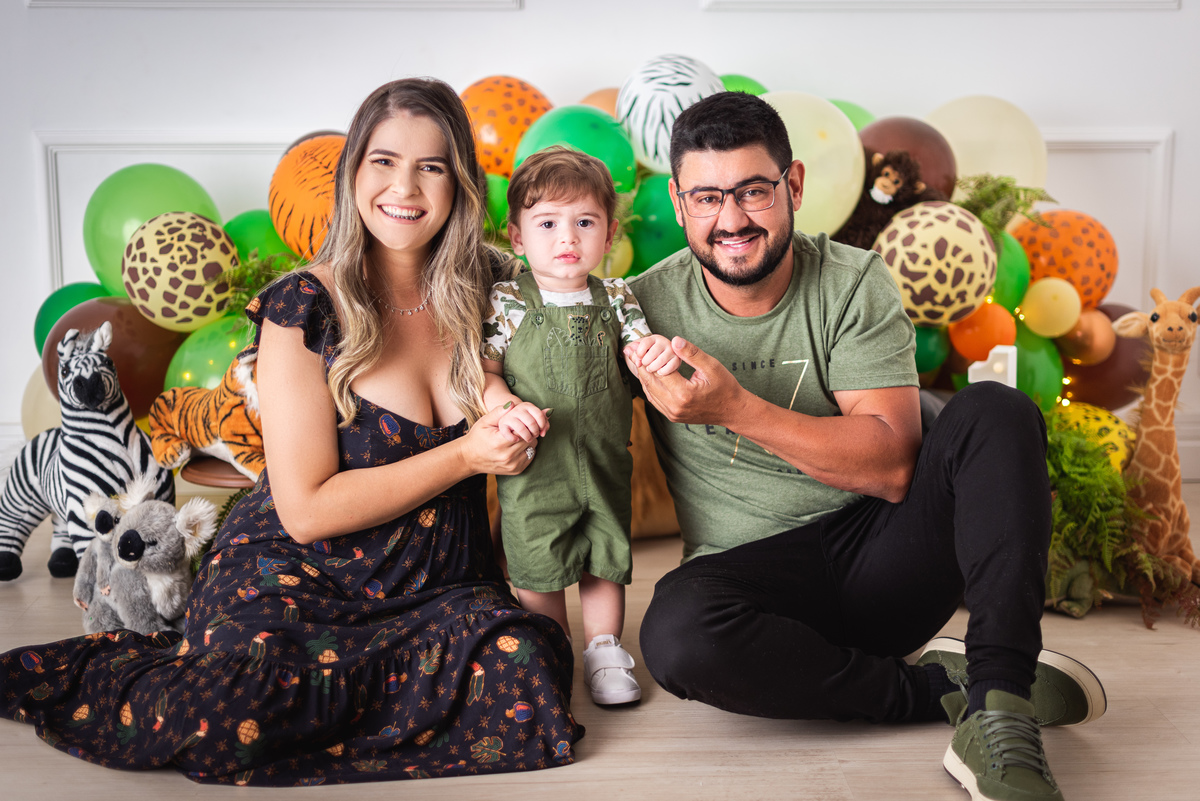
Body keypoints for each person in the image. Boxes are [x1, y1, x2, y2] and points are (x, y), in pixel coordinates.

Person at [0, 78, 584, 786]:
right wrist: (466, 455)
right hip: (299, 572)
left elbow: (601, 318)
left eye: (430, 166)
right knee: (231, 712)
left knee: (527, 673)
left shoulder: (498, 289)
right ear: (352, 173)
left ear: (458, 183)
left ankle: (341, 709)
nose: (405, 187)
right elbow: (305, 511)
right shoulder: (303, 305)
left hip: (440, 585)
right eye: (383, 161)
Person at [622, 91, 1105, 801]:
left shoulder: (851, 282)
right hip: (750, 583)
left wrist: (735, 409)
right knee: (675, 636)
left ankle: (1001, 703)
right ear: (678, 200)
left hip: (883, 557)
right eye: (706, 197)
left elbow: (891, 465)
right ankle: (938, 691)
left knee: (997, 410)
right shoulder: (639, 306)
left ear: (793, 185)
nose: (731, 220)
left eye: (753, 191)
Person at [480, 147, 679, 706]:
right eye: (547, 223)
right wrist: (504, 406)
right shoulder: (507, 302)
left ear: (609, 234)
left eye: (585, 223)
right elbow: (485, 373)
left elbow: (640, 352)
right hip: (535, 465)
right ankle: (553, 647)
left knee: (604, 556)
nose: (567, 237)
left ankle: (604, 648)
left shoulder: (616, 298)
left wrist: (655, 353)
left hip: (604, 456)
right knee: (536, 562)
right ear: (518, 237)